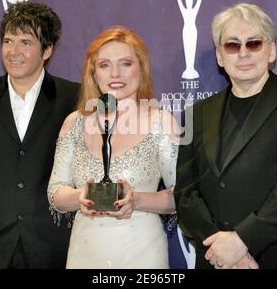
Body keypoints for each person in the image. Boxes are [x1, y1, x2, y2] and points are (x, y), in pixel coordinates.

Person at [174, 3, 277, 269]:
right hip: (215, 260)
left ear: (272, 50)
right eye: (232, 45)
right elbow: (186, 193)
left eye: (254, 43)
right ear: (219, 57)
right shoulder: (195, 114)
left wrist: (242, 241)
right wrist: (221, 248)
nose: (244, 53)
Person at [0, 1, 79, 268]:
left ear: (47, 50)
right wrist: (1, 203)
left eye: (25, 42)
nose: (13, 51)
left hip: (51, 242)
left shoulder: (73, 98)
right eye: (8, 41)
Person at [47, 26, 179, 269]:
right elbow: (55, 193)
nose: (115, 73)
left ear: (141, 69)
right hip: (84, 252)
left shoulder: (162, 122)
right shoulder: (74, 123)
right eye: (105, 65)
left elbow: (180, 196)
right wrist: (81, 197)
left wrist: (136, 200)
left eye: (126, 63)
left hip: (142, 253)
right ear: (93, 72)